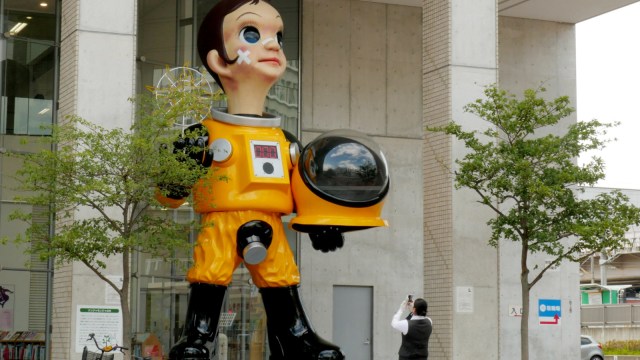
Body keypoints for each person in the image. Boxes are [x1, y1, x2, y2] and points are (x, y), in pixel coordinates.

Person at [157, 0, 388, 359]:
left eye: (277, 35)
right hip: (220, 222)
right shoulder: (204, 134)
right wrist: (182, 164)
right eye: (252, 33)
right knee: (210, 272)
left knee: (281, 276)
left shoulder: (285, 143)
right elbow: (169, 196)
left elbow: (306, 195)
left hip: (271, 224)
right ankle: (199, 335)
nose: (273, 44)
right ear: (219, 60)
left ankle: (294, 335)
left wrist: (324, 225)